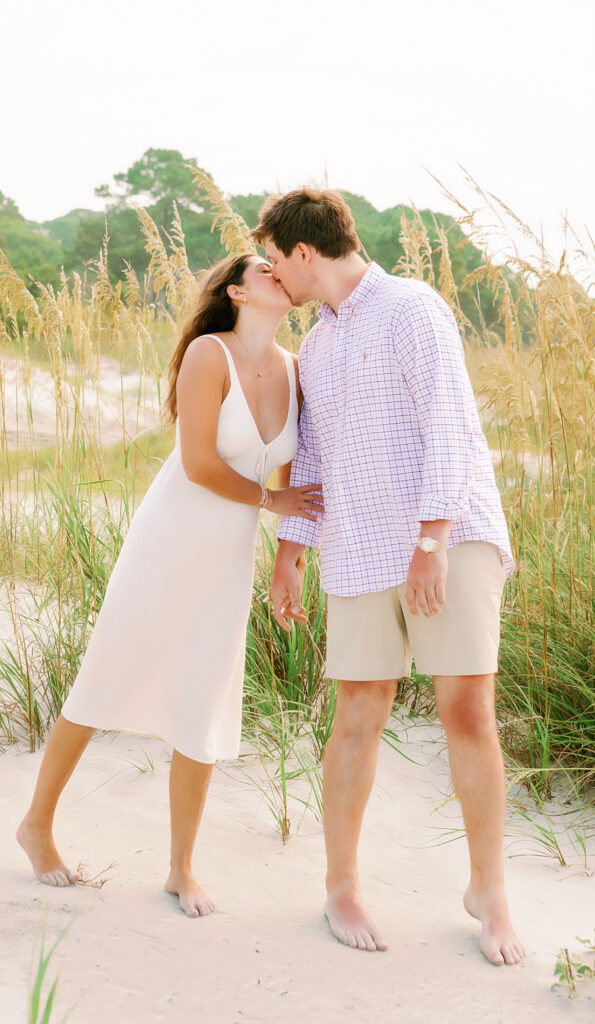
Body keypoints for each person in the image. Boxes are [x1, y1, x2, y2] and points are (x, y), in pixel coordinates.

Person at [254, 189, 525, 966]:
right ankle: (340, 884)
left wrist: (432, 539)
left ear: (305, 252)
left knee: (466, 706)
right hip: (359, 549)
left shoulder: (412, 308)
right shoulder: (320, 343)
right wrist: (289, 551)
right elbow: (310, 460)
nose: (275, 271)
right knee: (356, 712)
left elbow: (448, 419)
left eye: (277, 256)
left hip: (447, 535)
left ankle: (489, 892)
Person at [17, 253, 323, 917]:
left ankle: (181, 868)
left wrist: (285, 563)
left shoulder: (298, 369)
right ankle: (36, 824)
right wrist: (272, 507)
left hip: (229, 554)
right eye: (263, 268)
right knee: (104, 677)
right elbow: (198, 464)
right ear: (236, 291)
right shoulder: (209, 355)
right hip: (169, 539)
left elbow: (291, 482)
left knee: (204, 698)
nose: (278, 272)